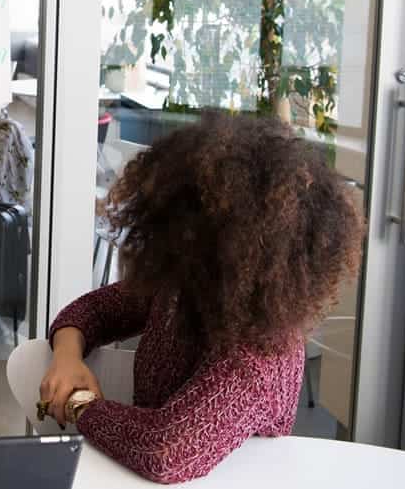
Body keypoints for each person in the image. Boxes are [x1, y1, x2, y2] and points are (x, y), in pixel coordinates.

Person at [39, 112, 364, 483]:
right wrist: (66, 359)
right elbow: (94, 309)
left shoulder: (261, 355)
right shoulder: (185, 289)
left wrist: (80, 405)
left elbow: (164, 451)